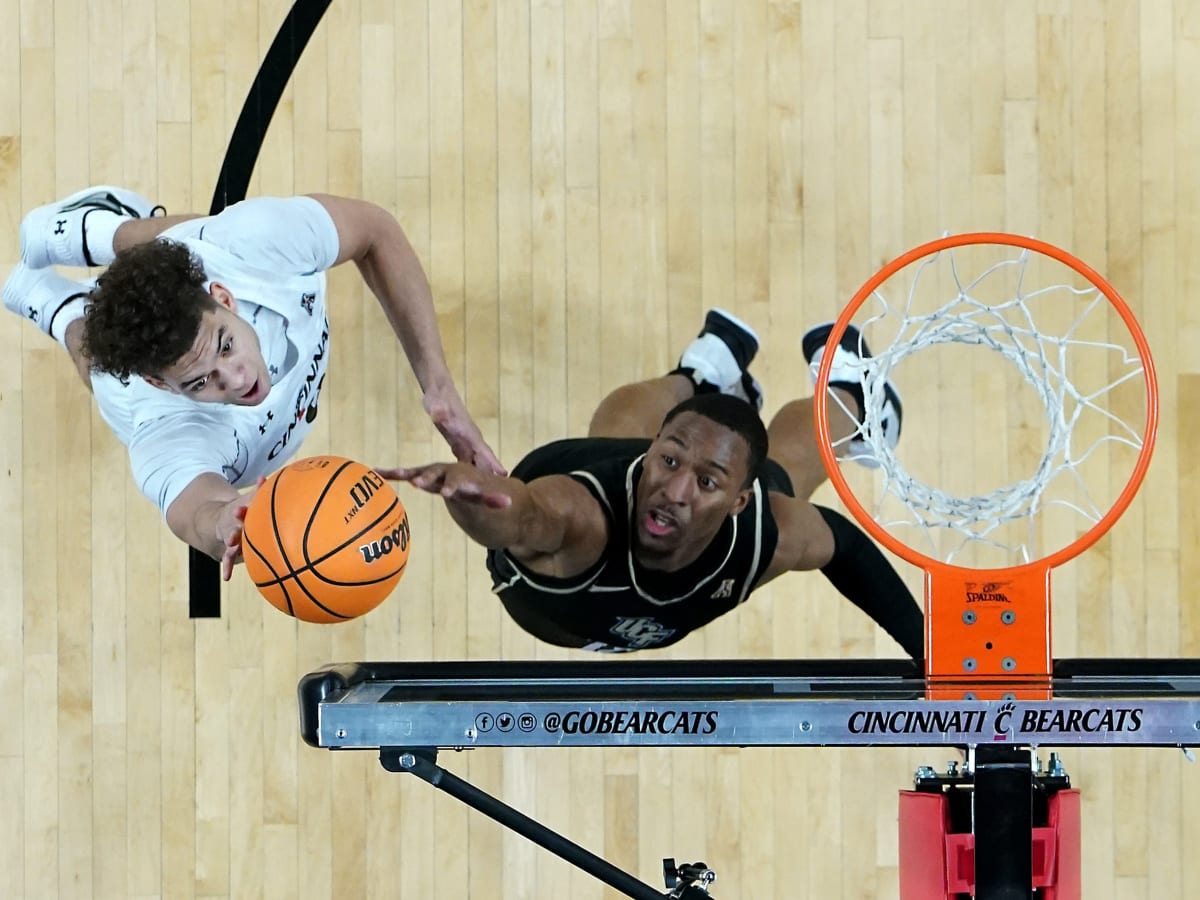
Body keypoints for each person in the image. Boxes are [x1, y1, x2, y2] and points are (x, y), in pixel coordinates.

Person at [2, 185, 502, 577]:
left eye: (225, 345)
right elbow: (194, 511)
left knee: (189, 238)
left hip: (214, 246)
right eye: (202, 383)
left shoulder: (258, 243)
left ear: (224, 297)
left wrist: (440, 389)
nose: (238, 379)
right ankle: (53, 304)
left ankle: (90, 233)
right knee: (92, 353)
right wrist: (223, 524)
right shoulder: (161, 426)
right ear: (164, 385)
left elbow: (375, 231)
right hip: (137, 383)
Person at [379, 309, 924, 657]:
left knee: (781, 475)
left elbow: (844, 547)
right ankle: (697, 382)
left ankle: (846, 399)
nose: (678, 490)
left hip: (653, 522)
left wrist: (925, 650)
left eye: (708, 483)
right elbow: (522, 516)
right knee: (622, 444)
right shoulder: (579, 520)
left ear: (738, 502)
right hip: (570, 548)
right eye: (667, 462)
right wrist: (469, 492)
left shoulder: (762, 527)